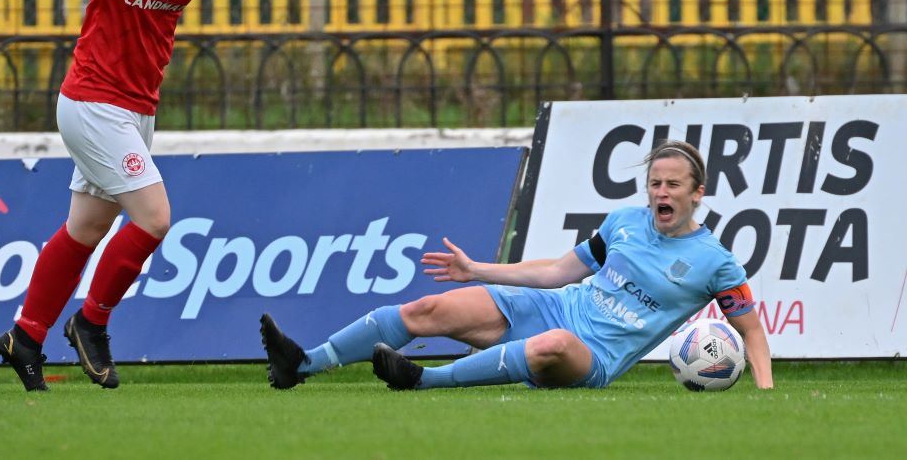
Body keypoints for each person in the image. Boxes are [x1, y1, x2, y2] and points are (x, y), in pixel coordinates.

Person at [0, 0, 289, 391]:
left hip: (135, 110)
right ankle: (90, 323)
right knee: (154, 219)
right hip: (92, 102)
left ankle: (26, 337)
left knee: (87, 227)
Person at [261, 140, 774, 391]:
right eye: (655, 183)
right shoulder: (624, 222)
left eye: (673, 185)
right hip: (548, 308)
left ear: (697, 194)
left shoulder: (716, 263)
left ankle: (422, 381)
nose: (661, 192)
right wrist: (477, 270)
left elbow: (750, 330)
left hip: (588, 355)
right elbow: (557, 272)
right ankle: (301, 364)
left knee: (553, 345)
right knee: (429, 307)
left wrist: (766, 395)